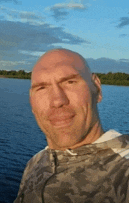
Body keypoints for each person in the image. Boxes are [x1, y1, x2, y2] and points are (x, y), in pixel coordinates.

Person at [14, 49, 129, 203]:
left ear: (97, 89)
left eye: (70, 82)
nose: (57, 100)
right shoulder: (36, 162)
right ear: (32, 102)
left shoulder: (123, 170)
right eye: (41, 88)